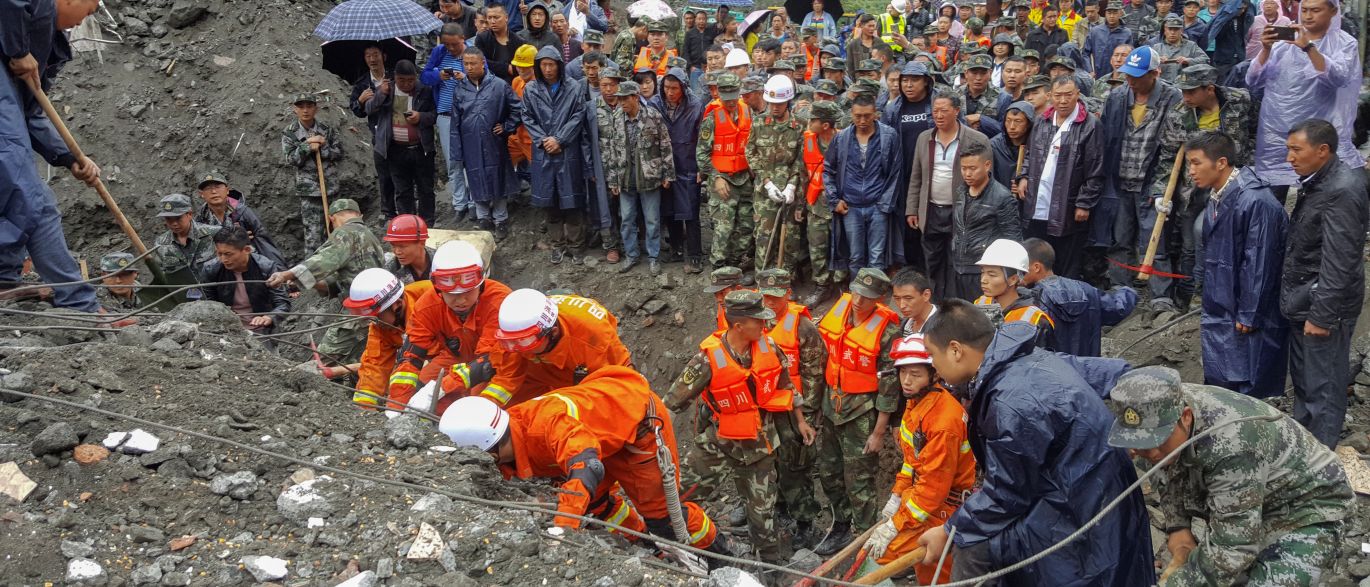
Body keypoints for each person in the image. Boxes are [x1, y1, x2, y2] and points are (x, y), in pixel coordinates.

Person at [916, 300, 1155, 585]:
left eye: (932, 355)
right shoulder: (1028, 359)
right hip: (1092, 489)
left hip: (1078, 509)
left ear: (955, 350)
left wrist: (951, 530)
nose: (933, 366)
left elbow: (1006, 494)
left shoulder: (1013, 401)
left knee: (975, 548)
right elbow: (1109, 372)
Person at [440, 368, 731, 559]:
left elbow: (587, 467)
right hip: (602, 431)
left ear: (489, 452)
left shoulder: (545, 427)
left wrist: (562, 530)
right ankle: (647, 544)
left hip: (636, 426)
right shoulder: (512, 429)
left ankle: (718, 555)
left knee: (664, 516)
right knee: (596, 504)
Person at [1105, 366, 1355, 586]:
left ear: (1186, 417)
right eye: (1141, 444)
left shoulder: (1232, 444)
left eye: (1158, 441)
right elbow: (1167, 473)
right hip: (1252, 502)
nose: (1151, 452)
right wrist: (1178, 527)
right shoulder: (1155, 415)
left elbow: (1233, 548)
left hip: (1310, 508)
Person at [666, 290, 813, 566]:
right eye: (758, 321)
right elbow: (672, 403)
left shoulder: (770, 348)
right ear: (738, 325)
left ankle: (770, 568)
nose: (765, 325)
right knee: (679, 493)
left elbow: (787, 387)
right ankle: (671, 544)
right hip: (719, 442)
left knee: (762, 513)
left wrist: (801, 421)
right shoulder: (707, 360)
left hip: (760, 446)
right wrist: (659, 445)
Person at [1167, 132, 1287, 399]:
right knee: (1223, 380)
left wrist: (1250, 312)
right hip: (1223, 304)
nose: (1191, 171)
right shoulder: (1219, 195)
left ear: (1221, 163)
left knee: (1248, 382)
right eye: (1189, 164)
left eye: (1197, 163)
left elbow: (1260, 261)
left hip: (1244, 311)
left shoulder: (1254, 201)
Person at [0, 0, 102, 313]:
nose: (93, 12)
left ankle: (5, 279)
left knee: (29, 200)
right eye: (91, 6)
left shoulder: (41, 40)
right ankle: (81, 306)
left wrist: (69, 157)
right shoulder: (29, 16)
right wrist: (17, 50)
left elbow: (30, 111)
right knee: (33, 201)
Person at [1280, 119, 1368, 449]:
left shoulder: (1341, 190)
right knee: (1305, 382)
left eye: (1296, 150)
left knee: (1324, 387)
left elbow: (1340, 259)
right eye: (1288, 149)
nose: (1289, 157)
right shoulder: (1318, 181)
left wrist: (1322, 315)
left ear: (1322, 150)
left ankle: (1320, 461)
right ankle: (1305, 448)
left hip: (1324, 307)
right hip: (1307, 299)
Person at [864, 334, 975, 585]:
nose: (906, 380)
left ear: (933, 374)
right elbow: (912, 462)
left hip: (942, 510)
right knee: (928, 568)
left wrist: (897, 524)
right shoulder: (918, 403)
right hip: (926, 500)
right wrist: (896, 496)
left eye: (915, 374)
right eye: (903, 373)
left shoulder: (943, 421)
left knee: (882, 558)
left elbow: (933, 489)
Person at [812, 269, 902, 554]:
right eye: (857, 293)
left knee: (859, 479)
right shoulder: (838, 313)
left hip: (861, 414)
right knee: (828, 471)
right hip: (830, 405)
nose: (859, 301)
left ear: (881, 298)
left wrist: (879, 432)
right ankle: (840, 524)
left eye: (868, 297)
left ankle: (863, 537)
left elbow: (889, 386)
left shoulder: (888, 331)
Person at [1152, 64, 1253, 308]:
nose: (1185, 97)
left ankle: (1221, 292)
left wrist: (1254, 166)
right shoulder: (1179, 114)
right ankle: (1189, 296)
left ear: (1209, 89)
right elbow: (1167, 155)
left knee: (1222, 239)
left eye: (1191, 92)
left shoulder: (1240, 101)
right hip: (1194, 189)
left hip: (1233, 185)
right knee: (1190, 244)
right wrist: (1159, 191)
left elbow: (1255, 132)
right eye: (1183, 91)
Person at [1246, 0, 1364, 204]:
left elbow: (1337, 78)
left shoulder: (1345, 43)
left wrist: (1309, 48)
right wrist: (1265, 49)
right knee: (1272, 194)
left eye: (1316, 10)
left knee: (1319, 195)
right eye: (1305, 10)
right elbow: (1253, 80)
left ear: (1333, 11)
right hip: (1277, 130)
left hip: (1317, 131)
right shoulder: (1284, 43)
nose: (1308, 16)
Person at [1101, 46, 1183, 311]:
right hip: (1119, 178)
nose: (1131, 80)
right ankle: (1119, 291)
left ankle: (1161, 297)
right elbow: (1106, 138)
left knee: (1154, 240)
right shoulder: (1117, 97)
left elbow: (1173, 149)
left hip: (1151, 182)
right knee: (1119, 238)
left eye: (1137, 75)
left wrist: (1162, 190)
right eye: (1128, 75)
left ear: (1155, 73)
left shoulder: (1172, 98)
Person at [390, 241, 511, 408]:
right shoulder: (427, 305)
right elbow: (410, 357)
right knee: (418, 386)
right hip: (455, 357)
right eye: (452, 294)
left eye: (468, 291)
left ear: (481, 283)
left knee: (478, 401)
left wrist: (444, 387)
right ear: (438, 289)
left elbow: (490, 360)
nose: (461, 300)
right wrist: (397, 406)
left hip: (493, 363)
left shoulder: (500, 302)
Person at [266, 199, 386, 366]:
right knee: (356, 360)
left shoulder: (346, 233)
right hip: (377, 308)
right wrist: (305, 282)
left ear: (331, 219)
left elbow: (322, 261)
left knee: (323, 361)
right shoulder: (368, 236)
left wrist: (287, 275)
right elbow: (342, 279)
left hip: (359, 311)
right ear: (360, 215)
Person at [755, 269, 827, 549]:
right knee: (771, 463)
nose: (770, 302)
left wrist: (806, 415)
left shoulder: (803, 328)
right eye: (765, 296)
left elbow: (814, 375)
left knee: (797, 468)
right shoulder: (755, 322)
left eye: (775, 297)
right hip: (767, 409)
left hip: (795, 410)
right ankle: (780, 510)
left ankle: (806, 523)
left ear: (787, 293)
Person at [469, 289, 630, 408]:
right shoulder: (518, 333)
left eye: (523, 341)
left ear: (552, 332)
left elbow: (621, 378)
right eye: (510, 341)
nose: (516, 348)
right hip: (539, 369)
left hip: (581, 374)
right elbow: (507, 377)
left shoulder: (593, 338)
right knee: (481, 393)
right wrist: (485, 409)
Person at [1015, 76, 1104, 280]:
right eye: (1058, 96)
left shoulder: (1090, 125)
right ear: (1049, 96)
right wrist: (1024, 176)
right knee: (1034, 255)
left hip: (1068, 203)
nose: (1063, 101)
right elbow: (1030, 154)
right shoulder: (1042, 121)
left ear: (1078, 95)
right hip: (1038, 198)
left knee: (1065, 258)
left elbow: (1096, 168)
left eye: (1068, 95)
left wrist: (1084, 202)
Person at [907, 92, 991, 298]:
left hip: (961, 210)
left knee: (958, 259)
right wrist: (912, 209)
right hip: (932, 208)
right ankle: (935, 301)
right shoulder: (924, 138)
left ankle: (955, 303)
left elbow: (987, 180)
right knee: (932, 258)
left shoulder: (976, 139)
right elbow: (916, 176)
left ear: (956, 111)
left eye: (944, 110)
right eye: (935, 111)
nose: (939, 115)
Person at [522, 46, 590, 265]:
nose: (548, 69)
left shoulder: (574, 87)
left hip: (567, 150)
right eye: (544, 65)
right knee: (550, 203)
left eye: (552, 65)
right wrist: (544, 140)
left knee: (572, 202)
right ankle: (557, 244)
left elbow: (578, 115)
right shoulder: (531, 89)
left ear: (559, 65)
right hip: (544, 153)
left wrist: (560, 139)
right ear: (538, 66)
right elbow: (527, 116)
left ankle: (576, 245)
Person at [823, 95, 902, 276]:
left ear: (875, 114)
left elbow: (895, 172)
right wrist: (834, 200)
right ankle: (856, 298)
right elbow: (828, 170)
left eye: (867, 115)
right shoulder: (841, 138)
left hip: (877, 205)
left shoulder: (888, 136)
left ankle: (876, 299)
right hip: (851, 206)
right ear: (851, 114)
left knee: (877, 257)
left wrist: (885, 204)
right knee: (855, 257)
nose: (862, 120)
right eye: (858, 116)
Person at [602, 81, 673, 276]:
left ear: (635, 97)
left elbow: (665, 146)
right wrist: (613, 180)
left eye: (625, 98)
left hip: (649, 177)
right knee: (626, 219)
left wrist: (668, 173)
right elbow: (611, 151)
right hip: (625, 178)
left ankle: (653, 257)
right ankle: (631, 255)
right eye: (620, 99)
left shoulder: (653, 116)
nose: (622, 102)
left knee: (652, 220)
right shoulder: (616, 118)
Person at [1022, 238, 1136, 356]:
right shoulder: (1086, 289)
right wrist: (1128, 292)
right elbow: (1117, 309)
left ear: (1036, 267)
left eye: (1022, 267)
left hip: (1052, 371)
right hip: (1087, 368)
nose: (1017, 272)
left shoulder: (1032, 302)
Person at [451, 49, 520, 240]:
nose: (469, 67)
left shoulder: (499, 85)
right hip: (470, 142)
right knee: (475, 178)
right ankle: (483, 219)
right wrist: (456, 151)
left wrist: (507, 126)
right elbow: (455, 124)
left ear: (483, 63)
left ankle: (501, 219)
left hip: (494, 142)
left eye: (473, 63)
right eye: (466, 64)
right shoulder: (460, 89)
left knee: (498, 177)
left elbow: (517, 109)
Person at [348, 267, 436, 409]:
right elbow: (374, 367)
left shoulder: (433, 301)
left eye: (376, 317)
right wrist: (363, 411)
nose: (373, 323)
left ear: (396, 305)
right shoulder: (382, 325)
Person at [746, 76, 806, 278]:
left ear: (788, 101)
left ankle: (785, 284)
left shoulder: (799, 126)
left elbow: (801, 159)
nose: (775, 108)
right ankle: (763, 283)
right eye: (771, 103)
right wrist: (766, 183)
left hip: (791, 193)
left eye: (779, 103)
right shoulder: (759, 123)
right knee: (763, 239)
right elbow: (751, 152)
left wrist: (791, 185)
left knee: (789, 241)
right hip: (765, 194)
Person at [366, 60, 438, 225]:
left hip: (421, 148)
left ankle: (427, 224)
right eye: (402, 80)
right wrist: (380, 94)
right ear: (395, 78)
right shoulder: (387, 90)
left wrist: (420, 117)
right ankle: (409, 224)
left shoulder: (424, 90)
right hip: (395, 148)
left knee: (425, 188)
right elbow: (369, 109)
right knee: (402, 190)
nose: (406, 84)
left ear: (415, 78)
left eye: (410, 80)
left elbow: (434, 114)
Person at [697, 73, 756, 272]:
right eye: (726, 96)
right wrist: (716, 177)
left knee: (746, 228)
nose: (730, 101)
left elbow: (753, 145)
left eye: (733, 95)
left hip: (745, 179)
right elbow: (701, 154)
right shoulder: (712, 118)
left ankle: (734, 266)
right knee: (723, 229)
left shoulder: (748, 112)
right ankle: (718, 269)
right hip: (723, 180)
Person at [651, 67, 706, 273]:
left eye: (675, 88)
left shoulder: (695, 106)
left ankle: (694, 255)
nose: (670, 92)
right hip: (666, 164)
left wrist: (702, 167)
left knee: (691, 212)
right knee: (670, 209)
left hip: (689, 163)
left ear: (683, 88)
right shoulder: (656, 104)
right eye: (667, 87)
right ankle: (676, 249)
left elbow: (702, 138)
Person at [882, 62, 935, 272]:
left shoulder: (935, 104)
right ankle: (911, 269)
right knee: (908, 222)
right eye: (905, 80)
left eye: (914, 80)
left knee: (930, 221)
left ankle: (930, 268)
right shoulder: (893, 109)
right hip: (903, 174)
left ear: (926, 82)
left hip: (931, 173)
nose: (908, 85)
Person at [951, 145, 1022, 301]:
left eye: (972, 168)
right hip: (959, 266)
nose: (967, 173)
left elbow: (1013, 240)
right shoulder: (961, 191)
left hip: (984, 270)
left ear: (987, 165)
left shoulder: (1002, 197)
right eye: (963, 168)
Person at [422, 23, 473, 225]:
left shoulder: (472, 52)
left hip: (468, 114)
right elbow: (424, 77)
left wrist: (465, 77)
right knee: (453, 162)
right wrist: (438, 75)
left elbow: (485, 77)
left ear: (463, 38)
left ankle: (473, 202)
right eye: (447, 44)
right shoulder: (439, 52)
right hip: (444, 115)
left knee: (470, 160)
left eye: (454, 44)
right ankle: (459, 204)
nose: (451, 48)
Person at [282, 92, 347, 248]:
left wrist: (323, 148)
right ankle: (314, 270)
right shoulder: (290, 132)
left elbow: (339, 153)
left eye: (309, 106)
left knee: (337, 232)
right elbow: (291, 159)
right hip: (309, 192)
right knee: (313, 237)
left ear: (315, 109)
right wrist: (307, 146)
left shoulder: (326, 130)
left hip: (330, 188)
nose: (305, 110)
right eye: (301, 106)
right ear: (294, 109)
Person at [199, 227, 290, 336]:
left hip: (262, 330)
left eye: (228, 254)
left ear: (247, 250)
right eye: (219, 254)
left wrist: (269, 317)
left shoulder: (266, 268)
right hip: (227, 331)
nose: (223, 260)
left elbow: (283, 303)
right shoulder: (211, 269)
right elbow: (209, 304)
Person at [797, 102, 843, 307]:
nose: (808, 123)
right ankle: (822, 286)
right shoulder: (807, 141)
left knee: (843, 247)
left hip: (842, 206)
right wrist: (800, 205)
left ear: (825, 125)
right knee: (816, 247)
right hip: (815, 204)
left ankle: (843, 286)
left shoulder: (845, 141)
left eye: (813, 120)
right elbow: (801, 175)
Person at [192, 172, 285, 267]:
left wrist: (279, 270)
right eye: (208, 188)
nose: (214, 192)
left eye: (218, 186)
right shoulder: (200, 219)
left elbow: (263, 242)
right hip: (218, 265)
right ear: (201, 194)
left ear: (227, 190)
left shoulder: (243, 213)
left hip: (248, 263)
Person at [973, 239, 1054, 346]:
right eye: (983, 273)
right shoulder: (982, 302)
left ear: (1013, 279)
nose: (983, 280)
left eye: (992, 275)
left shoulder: (1033, 318)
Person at [349, 44, 398, 219]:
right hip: (378, 134)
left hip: (399, 130)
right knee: (384, 174)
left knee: (402, 172)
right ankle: (388, 212)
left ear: (383, 56)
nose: (372, 59)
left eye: (375, 54)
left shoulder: (394, 76)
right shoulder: (362, 83)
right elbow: (356, 111)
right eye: (368, 55)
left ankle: (405, 209)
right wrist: (361, 101)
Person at [154, 194, 221, 287]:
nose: (174, 223)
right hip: (183, 297)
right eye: (168, 219)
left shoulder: (213, 234)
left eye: (178, 218)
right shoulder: (161, 244)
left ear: (189, 214)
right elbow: (163, 277)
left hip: (214, 293)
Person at [474, 4, 529, 83]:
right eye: (489, 18)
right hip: (487, 85)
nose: (492, 21)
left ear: (506, 17)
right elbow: (481, 62)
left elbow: (521, 68)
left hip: (512, 86)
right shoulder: (482, 39)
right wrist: (507, 68)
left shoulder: (519, 41)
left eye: (496, 17)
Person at [1153, 14, 1210, 83]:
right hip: (1162, 86)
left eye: (1176, 29)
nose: (1172, 33)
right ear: (1165, 31)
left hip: (1184, 86)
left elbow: (1206, 60)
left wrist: (1188, 61)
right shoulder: (1157, 47)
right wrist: (1157, 60)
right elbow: (1145, 65)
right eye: (1170, 29)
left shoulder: (1191, 46)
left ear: (1181, 31)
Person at [1083, 0, 1134, 75]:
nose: (1112, 16)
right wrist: (1089, 70)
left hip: (1120, 73)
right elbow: (1085, 53)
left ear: (1120, 13)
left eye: (1115, 13)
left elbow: (1130, 55)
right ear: (1105, 14)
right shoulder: (1096, 31)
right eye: (1109, 13)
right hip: (1099, 73)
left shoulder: (1126, 33)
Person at [991, 101, 1034, 190]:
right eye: (1008, 120)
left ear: (1029, 123)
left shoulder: (1037, 145)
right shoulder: (994, 145)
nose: (1012, 126)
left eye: (1018, 121)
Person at [379, 215, 434, 284]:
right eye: (393, 246)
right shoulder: (390, 272)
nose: (397, 252)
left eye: (402, 246)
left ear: (422, 243)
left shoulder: (443, 261)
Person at [960, 54, 1003, 137]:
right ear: (966, 74)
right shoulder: (954, 94)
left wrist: (981, 119)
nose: (978, 78)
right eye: (974, 73)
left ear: (990, 73)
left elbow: (1005, 130)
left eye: (983, 73)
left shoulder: (1002, 96)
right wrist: (966, 123)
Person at [892, 268, 937, 334]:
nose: (902, 306)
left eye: (908, 298)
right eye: (897, 298)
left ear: (926, 295)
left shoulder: (944, 326)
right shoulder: (905, 324)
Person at [704, 266, 745, 332]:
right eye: (715, 294)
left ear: (738, 289)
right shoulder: (723, 307)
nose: (718, 300)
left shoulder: (759, 310)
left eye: (722, 293)